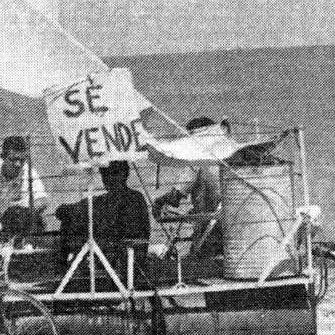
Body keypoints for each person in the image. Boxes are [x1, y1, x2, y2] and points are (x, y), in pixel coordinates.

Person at [55, 161, 150, 283]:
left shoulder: (129, 199)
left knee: (72, 223)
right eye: (104, 174)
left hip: (122, 255)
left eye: (113, 174)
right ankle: (65, 269)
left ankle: (62, 270)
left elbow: (120, 229)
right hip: (118, 252)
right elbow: (61, 211)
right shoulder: (113, 199)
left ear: (125, 174)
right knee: (71, 218)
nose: (108, 178)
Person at [151, 117, 225, 256]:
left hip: (211, 228)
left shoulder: (198, 159)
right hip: (228, 223)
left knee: (194, 257)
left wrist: (159, 202)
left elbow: (175, 195)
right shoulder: (224, 155)